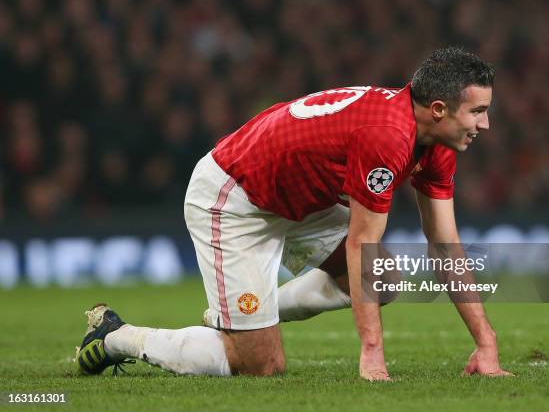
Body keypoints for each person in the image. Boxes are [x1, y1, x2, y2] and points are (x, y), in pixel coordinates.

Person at [75, 47, 512, 380]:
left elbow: (445, 245)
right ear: (438, 110)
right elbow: (362, 242)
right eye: (478, 111)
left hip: (303, 201)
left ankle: (234, 318)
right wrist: (372, 352)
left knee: (383, 280)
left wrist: (486, 343)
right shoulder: (387, 137)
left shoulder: (433, 141)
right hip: (236, 196)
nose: (485, 125)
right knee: (260, 364)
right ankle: (117, 336)